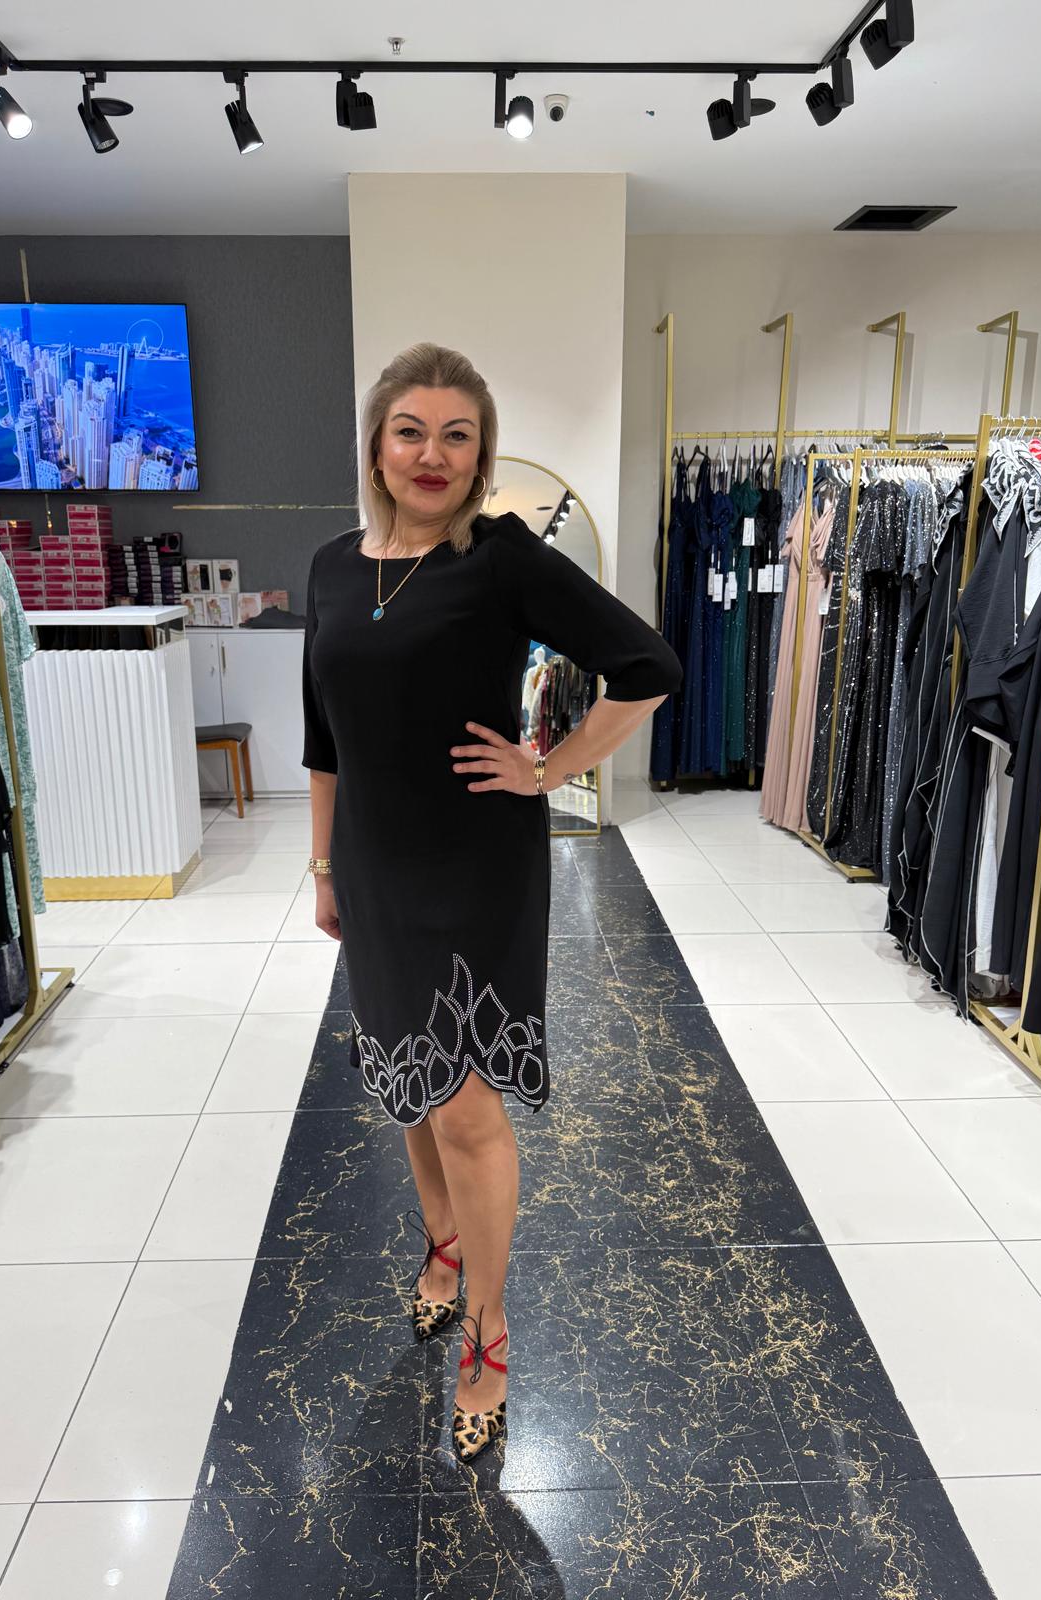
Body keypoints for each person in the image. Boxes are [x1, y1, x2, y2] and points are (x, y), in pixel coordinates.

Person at [301, 341, 682, 1463]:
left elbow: (647, 665)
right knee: (405, 1074)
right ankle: (440, 1241)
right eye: (411, 430)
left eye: (457, 435)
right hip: (373, 866)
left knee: (466, 1108)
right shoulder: (331, 567)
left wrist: (549, 767)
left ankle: (488, 1328)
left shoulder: (500, 558)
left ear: (480, 455)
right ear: (378, 444)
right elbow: (324, 737)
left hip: (473, 867)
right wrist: (323, 867)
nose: (433, 453)